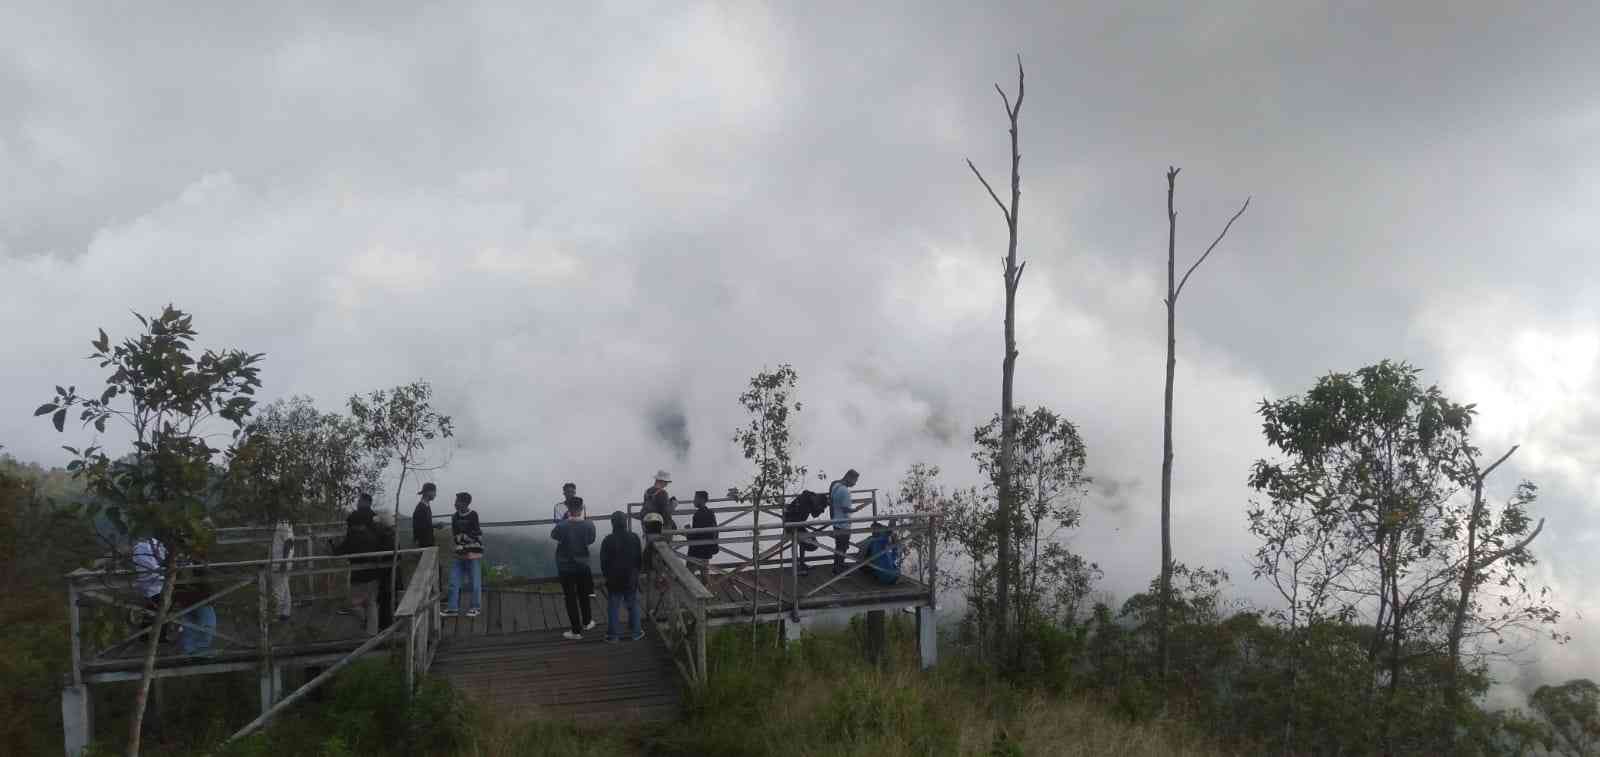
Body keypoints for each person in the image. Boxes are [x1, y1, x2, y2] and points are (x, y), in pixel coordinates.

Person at [552, 497, 597, 639]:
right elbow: (591, 540)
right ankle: (587, 622)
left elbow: (554, 536)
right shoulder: (589, 525)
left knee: (570, 598)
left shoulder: (562, 526)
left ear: (568, 509)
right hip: (583, 565)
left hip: (566, 566)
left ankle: (576, 631)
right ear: (582, 508)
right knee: (584, 594)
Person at [599, 510, 642, 642]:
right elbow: (638, 559)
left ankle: (613, 636)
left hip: (614, 579)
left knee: (613, 607)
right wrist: (636, 574)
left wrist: (607, 576)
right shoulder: (634, 537)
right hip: (631, 577)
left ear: (612, 523)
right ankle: (636, 633)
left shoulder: (607, 540)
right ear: (625, 523)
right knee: (633, 604)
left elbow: (604, 562)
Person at [444, 492, 484, 618]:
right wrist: (461, 538)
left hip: (473, 553)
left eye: (458, 501)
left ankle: (475, 607)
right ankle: (452, 608)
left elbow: (476, 533)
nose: (455, 503)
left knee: (474, 581)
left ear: (465, 503)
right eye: (456, 501)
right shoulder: (454, 516)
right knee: (453, 581)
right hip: (459, 552)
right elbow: (455, 534)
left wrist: (464, 537)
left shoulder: (473, 515)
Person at [175, 546, 217, 655]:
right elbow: (202, 578)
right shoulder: (189, 560)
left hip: (190, 596)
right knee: (206, 624)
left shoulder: (183, 558)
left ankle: (190, 650)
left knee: (191, 624)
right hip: (198, 596)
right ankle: (197, 651)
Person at [131, 536, 171, 643]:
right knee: (158, 609)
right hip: (152, 583)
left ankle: (149, 637)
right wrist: (165, 570)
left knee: (155, 610)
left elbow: (163, 558)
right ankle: (156, 637)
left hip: (156, 583)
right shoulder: (141, 548)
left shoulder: (155, 543)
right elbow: (149, 566)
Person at [829, 469, 861, 574]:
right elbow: (845, 509)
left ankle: (837, 567)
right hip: (843, 524)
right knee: (843, 547)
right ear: (849, 478)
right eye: (855, 481)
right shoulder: (845, 491)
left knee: (839, 546)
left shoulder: (835, 486)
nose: (855, 484)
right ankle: (839, 570)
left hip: (836, 521)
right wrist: (856, 509)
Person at [687, 490, 719, 580]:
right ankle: (707, 591)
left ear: (701, 499)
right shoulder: (711, 513)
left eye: (695, 498)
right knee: (705, 574)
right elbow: (715, 530)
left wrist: (687, 531)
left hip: (696, 551)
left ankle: (691, 592)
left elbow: (695, 535)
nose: (694, 501)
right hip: (707, 550)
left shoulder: (698, 515)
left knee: (688, 575)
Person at [270, 520, 295, 621]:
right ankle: (285, 613)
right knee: (284, 587)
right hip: (283, 561)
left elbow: (288, 543)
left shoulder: (283, 523)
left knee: (278, 589)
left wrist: (283, 563)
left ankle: (277, 614)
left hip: (281, 562)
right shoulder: (286, 523)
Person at [412, 483, 438, 548]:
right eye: (434, 492)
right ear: (427, 492)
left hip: (428, 541)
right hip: (424, 543)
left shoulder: (426, 506)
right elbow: (419, 527)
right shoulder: (420, 508)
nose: (435, 494)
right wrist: (435, 525)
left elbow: (425, 524)